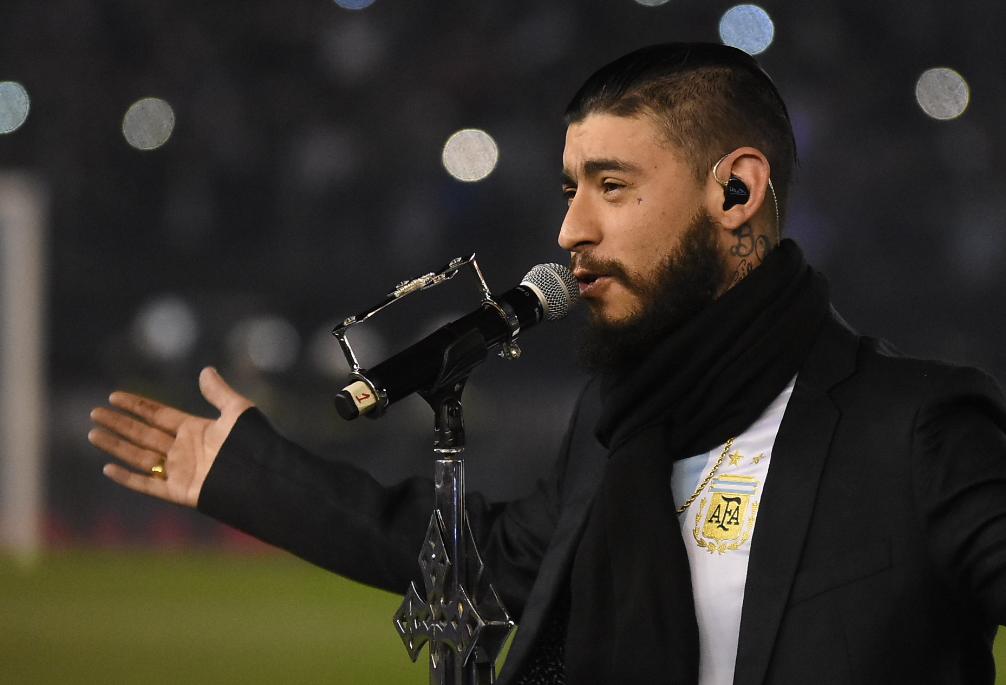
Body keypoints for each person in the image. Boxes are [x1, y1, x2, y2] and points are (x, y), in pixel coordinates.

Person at [88, 42, 1006, 684]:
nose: (571, 230)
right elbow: (481, 558)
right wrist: (255, 475)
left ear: (735, 190)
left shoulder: (918, 432)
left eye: (613, 186)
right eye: (571, 190)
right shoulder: (620, 427)